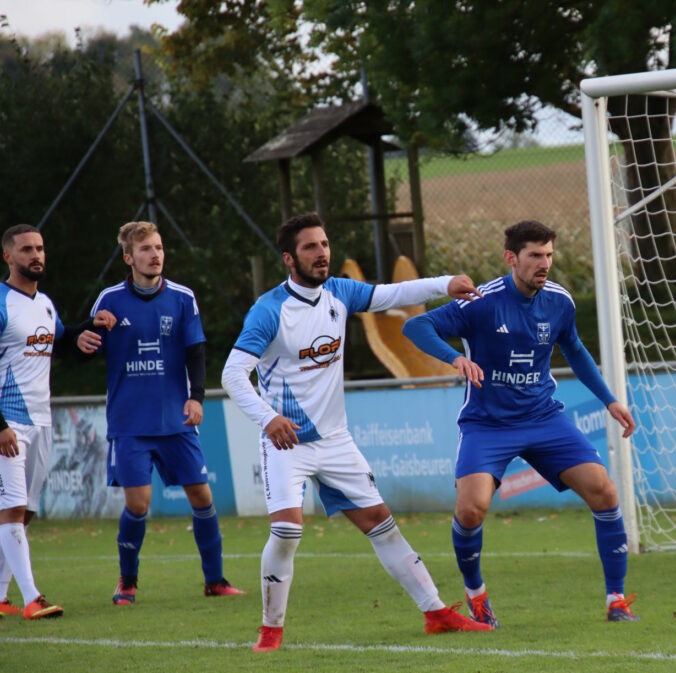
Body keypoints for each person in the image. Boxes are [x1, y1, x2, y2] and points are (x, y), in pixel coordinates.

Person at [220, 212, 491, 653]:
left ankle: (436, 613)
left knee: (382, 524)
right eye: (310, 247)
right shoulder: (269, 311)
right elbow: (233, 375)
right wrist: (268, 419)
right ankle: (270, 632)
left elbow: (393, 294)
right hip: (287, 443)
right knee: (287, 532)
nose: (321, 253)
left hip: (336, 441)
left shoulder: (340, 293)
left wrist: (446, 284)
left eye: (324, 244)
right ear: (289, 258)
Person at [402, 219, 639, 625]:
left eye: (548, 255)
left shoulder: (559, 302)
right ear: (511, 258)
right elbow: (416, 325)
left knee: (604, 490)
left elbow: (575, 350)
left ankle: (616, 600)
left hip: (543, 417)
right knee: (471, 510)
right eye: (534, 256)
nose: (544, 263)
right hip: (487, 424)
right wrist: (455, 358)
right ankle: (476, 596)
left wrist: (610, 400)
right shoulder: (482, 301)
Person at [76, 221, 244, 605]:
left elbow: (196, 352)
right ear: (128, 257)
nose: (155, 255)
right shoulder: (109, 299)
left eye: (159, 247)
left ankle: (215, 580)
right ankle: (127, 581)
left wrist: (196, 397)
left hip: (175, 420)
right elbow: (86, 351)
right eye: (146, 249)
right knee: (138, 505)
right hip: (130, 423)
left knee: (202, 496)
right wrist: (87, 336)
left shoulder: (183, 298)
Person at [0, 224, 83, 619]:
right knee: (13, 508)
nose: (36, 255)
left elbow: (61, 339)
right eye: (27, 249)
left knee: (26, 511)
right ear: (8, 256)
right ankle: (33, 597)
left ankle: (0, 596)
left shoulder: (45, 304)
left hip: (42, 422)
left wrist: (90, 329)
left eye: (40, 248)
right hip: (9, 423)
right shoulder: (2, 302)